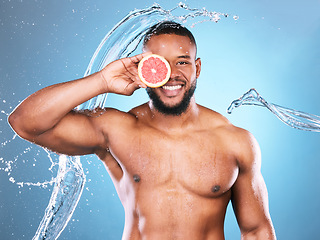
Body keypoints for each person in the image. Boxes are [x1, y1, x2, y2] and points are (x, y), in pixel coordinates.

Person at [8, 21, 276, 239]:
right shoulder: (117, 129)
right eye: (160, 62)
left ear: (198, 68)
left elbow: (256, 231)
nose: (171, 73)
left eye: (182, 62)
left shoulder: (235, 141)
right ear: (144, 68)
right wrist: (102, 80)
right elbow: (25, 122)